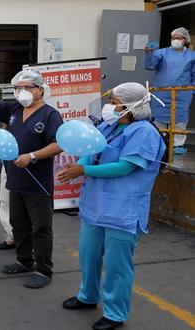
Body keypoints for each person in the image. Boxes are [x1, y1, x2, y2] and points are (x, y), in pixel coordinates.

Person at [57, 83, 165, 330]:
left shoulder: (144, 132)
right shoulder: (109, 125)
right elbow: (88, 148)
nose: (110, 106)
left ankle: (115, 313)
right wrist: (79, 165)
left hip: (123, 210)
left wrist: (83, 170)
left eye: (115, 101)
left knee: (117, 266)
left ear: (131, 106)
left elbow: (125, 167)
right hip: (95, 206)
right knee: (89, 256)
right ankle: (88, 296)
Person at [0, 67, 63, 288]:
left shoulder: (50, 115)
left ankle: (44, 270)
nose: (21, 92)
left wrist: (32, 156)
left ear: (40, 90)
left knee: (41, 228)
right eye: (17, 88)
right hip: (15, 178)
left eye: (27, 87)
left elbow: (58, 144)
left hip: (38, 182)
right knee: (19, 223)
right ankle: (24, 260)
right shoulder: (14, 108)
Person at [144, 27, 195, 155]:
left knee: (180, 118)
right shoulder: (161, 53)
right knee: (159, 118)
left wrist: (191, 90)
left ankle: (177, 145)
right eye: (173, 38)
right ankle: (159, 142)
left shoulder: (191, 56)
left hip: (183, 93)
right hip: (162, 91)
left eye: (178, 38)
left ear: (185, 40)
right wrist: (149, 53)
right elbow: (149, 66)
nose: (175, 40)